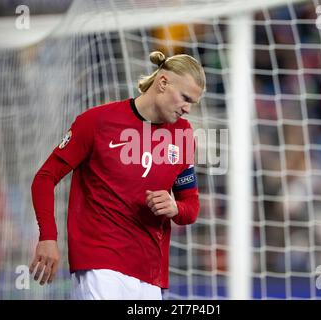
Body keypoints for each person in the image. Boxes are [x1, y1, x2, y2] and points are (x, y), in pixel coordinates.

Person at [29, 50, 206, 300]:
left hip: (150, 271)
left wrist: (175, 208)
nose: (187, 109)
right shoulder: (97, 121)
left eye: (193, 103)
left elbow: (191, 207)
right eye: (185, 98)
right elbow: (45, 177)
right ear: (163, 82)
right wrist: (48, 237)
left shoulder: (183, 135)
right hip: (100, 263)